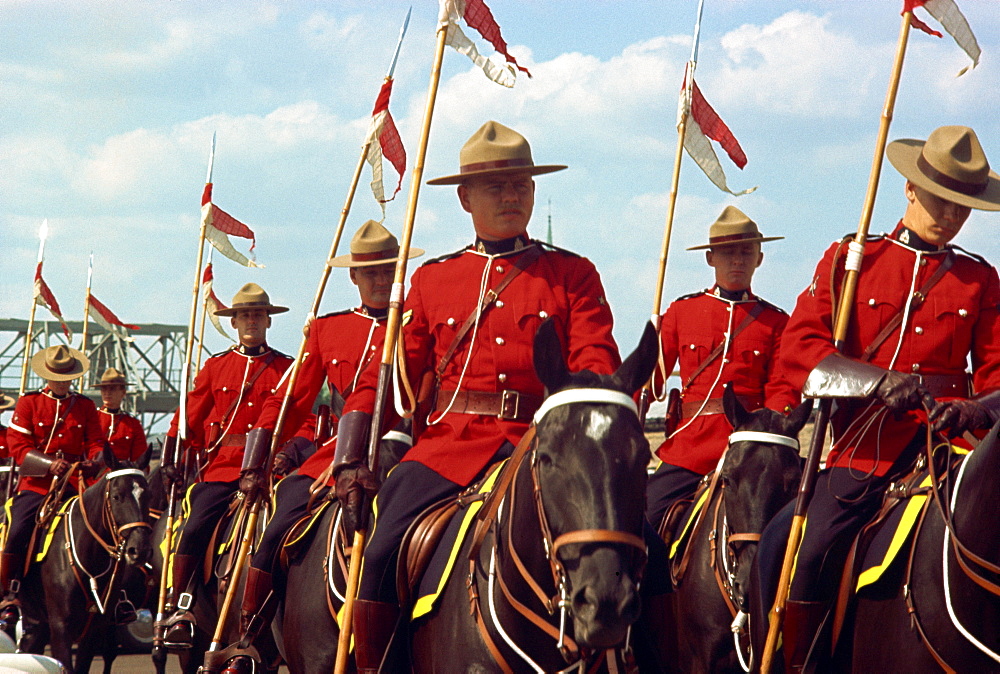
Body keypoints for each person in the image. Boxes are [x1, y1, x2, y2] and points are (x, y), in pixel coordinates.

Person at [333, 121, 622, 672]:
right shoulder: (433, 280)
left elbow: (595, 362)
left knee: (636, 545)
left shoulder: (572, 274)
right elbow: (388, 374)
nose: (512, 195)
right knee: (378, 551)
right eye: (496, 186)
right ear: (465, 198)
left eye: (521, 184)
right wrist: (351, 453)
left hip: (544, 450)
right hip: (449, 449)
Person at [764, 125, 1000, 672]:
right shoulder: (853, 258)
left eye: (963, 207)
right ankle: (799, 661)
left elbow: (996, 375)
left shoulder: (978, 279)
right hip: (862, 454)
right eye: (942, 200)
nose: (951, 216)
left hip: (948, 452)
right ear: (911, 189)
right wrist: (875, 381)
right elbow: (800, 351)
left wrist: (976, 409)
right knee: (800, 546)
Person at [234, 219, 422, 638]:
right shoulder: (328, 328)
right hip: (335, 452)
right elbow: (289, 400)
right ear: (353, 275)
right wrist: (255, 462)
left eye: (389, 269)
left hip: (413, 446)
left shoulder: (417, 320)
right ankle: (251, 632)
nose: (380, 279)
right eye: (370, 271)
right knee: (280, 521)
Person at [160, 283, 294, 647]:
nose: (251, 321)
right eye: (244, 315)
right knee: (195, 526)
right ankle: (183, 607)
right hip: (223, 471)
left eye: (258, 314)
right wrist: (172, 452)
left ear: (269, 320)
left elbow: (306, 420)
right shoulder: (216, 366)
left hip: (272, 473)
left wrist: (288, 454)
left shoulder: (287, 368)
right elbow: (189, 417)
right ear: (234, 323)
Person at [646, 206, 792, 533]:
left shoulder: (775, 322)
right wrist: (649, 348)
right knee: (645, 518)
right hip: (691, 448)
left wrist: (763, 433)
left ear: (759, 258)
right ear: (710, 258)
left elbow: (782, 387)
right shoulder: (683, 312)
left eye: (745, 252)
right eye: (727, 253)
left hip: (753, 449)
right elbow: (651, 383)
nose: (737, 260)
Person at [1, 345, 104, 636]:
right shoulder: (28, 403)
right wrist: (49, 465)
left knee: (103, 527)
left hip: (73, 485)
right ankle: (11, 592)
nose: (61, 381)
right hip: (37, 486)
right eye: (56, 376)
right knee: (18, 528)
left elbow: (95, 441)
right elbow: (17, 446)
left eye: (66, 376)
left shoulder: (84, 406)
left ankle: (110, 595)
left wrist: (94, 460)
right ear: (47, 376)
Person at [94, 368, 147, 465]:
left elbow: (139, 458)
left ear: (123, 392)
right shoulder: (92, 418)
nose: (107, 393)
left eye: (112, 389)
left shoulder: (133, 424)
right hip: (94, 473)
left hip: (122, 473)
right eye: (104, 389)